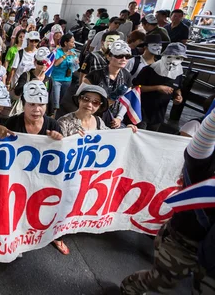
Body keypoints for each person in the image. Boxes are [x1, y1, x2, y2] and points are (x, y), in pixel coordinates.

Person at [120, 107, 215, 294]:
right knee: (161, 282)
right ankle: (130, 288)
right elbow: (208, 130)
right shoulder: (204, 160)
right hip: (184, 242)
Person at [133, 43, 186, 131]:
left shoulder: (178, 72)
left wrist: (178, 97)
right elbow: (136, 87)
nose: (173, 61)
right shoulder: (149, 70)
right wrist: (157, 87)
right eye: (170, 57)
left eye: (178, 58)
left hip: (159, 114)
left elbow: (177, 87)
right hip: (142, 111)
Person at [83, 40, 134, 129]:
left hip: (114, 119)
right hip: (92, 117)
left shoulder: (127, 76)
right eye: (119, 56)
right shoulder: (95, 75)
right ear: (108, 56)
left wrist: (119, 118)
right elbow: (81, 98)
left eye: (127, 56)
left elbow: (126, 99)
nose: (124, 59)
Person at [14, 47, 56, 116]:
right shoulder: (26, 75)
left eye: (46, 62)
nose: (43, 65)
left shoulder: (49, 80)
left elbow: (50, 98)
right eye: (40, 62)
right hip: (25, 111)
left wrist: (50, 115)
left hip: (41, 113)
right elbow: (17, 91)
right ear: (35, 62)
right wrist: (29, 85)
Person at [52, 33, 78, 115]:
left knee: (61, 99)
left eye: (74, 42)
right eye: (72, 42)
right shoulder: (57, 51)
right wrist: (65, 55)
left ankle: (55, 114)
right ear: (66, 43)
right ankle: (53, 116)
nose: (73, 44)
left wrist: (76, 62)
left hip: (67, 79)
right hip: (56, 79)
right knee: (56, 101)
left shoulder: (73, 52)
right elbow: (55, 64)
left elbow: (76, 66)